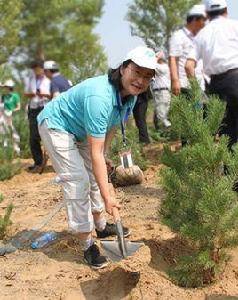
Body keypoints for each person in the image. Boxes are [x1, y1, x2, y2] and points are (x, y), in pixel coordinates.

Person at [37, 46, 156, 269]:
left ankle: (101, 226)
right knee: (78, 180)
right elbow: (94, 153)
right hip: (57, 125)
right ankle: (87, 244)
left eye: (148, 76)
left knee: (94, 172)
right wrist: (108, 196)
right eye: (137, 72)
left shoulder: (129, 96)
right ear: (123, 68)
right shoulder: (100, 95)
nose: (141, 80)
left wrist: (105, 154)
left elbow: (111, 124)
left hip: (81, 128)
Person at [185, 0, 238, 151]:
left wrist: (197, 93)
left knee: (226, 132)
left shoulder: (202, 34)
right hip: (236, 79)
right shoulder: (235, 26)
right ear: (226, 10)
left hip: (215, 87)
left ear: (207, 15)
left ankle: (230, 172)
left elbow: (188, 66)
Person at [169, 4, 206, 96]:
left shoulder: (199, 38)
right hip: (184, 86)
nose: (205, 23)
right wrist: (175, 81)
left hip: (199, 85)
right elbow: (173, 59)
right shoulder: (179, 36)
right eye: (203, 20)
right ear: (194, 19)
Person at [24, 59, 51, 173]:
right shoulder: (31, 80)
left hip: (45, 108)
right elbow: (25, 93)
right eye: (34, 69)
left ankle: (52, 160)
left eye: (37, 69)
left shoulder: (49, 81)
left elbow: (54, 95)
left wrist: (43, 94)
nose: (36, 71)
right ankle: (38, 163)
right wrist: (32, 93)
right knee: (33, 138)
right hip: (33, 109)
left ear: (42, 69)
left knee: (49, 135)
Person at [151, 51, 171, 128]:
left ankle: (167, 126)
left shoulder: (163, 67)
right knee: (161, 110)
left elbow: (152, 64)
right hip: (161, 91)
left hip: (162, 91)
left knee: (162, 110)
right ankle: (162, 128)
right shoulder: (159, 67)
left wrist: (156, 57)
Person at [0, 79, 21, 154]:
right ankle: (5, 150)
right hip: (4, 117)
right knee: (4, 132)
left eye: (5, 87)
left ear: (9, 87)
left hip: (12, 117)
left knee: (13, 133)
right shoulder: (3, 96)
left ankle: (16, 150)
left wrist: (12, 111)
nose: (4, 88)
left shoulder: (15, 96)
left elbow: (18, 107)